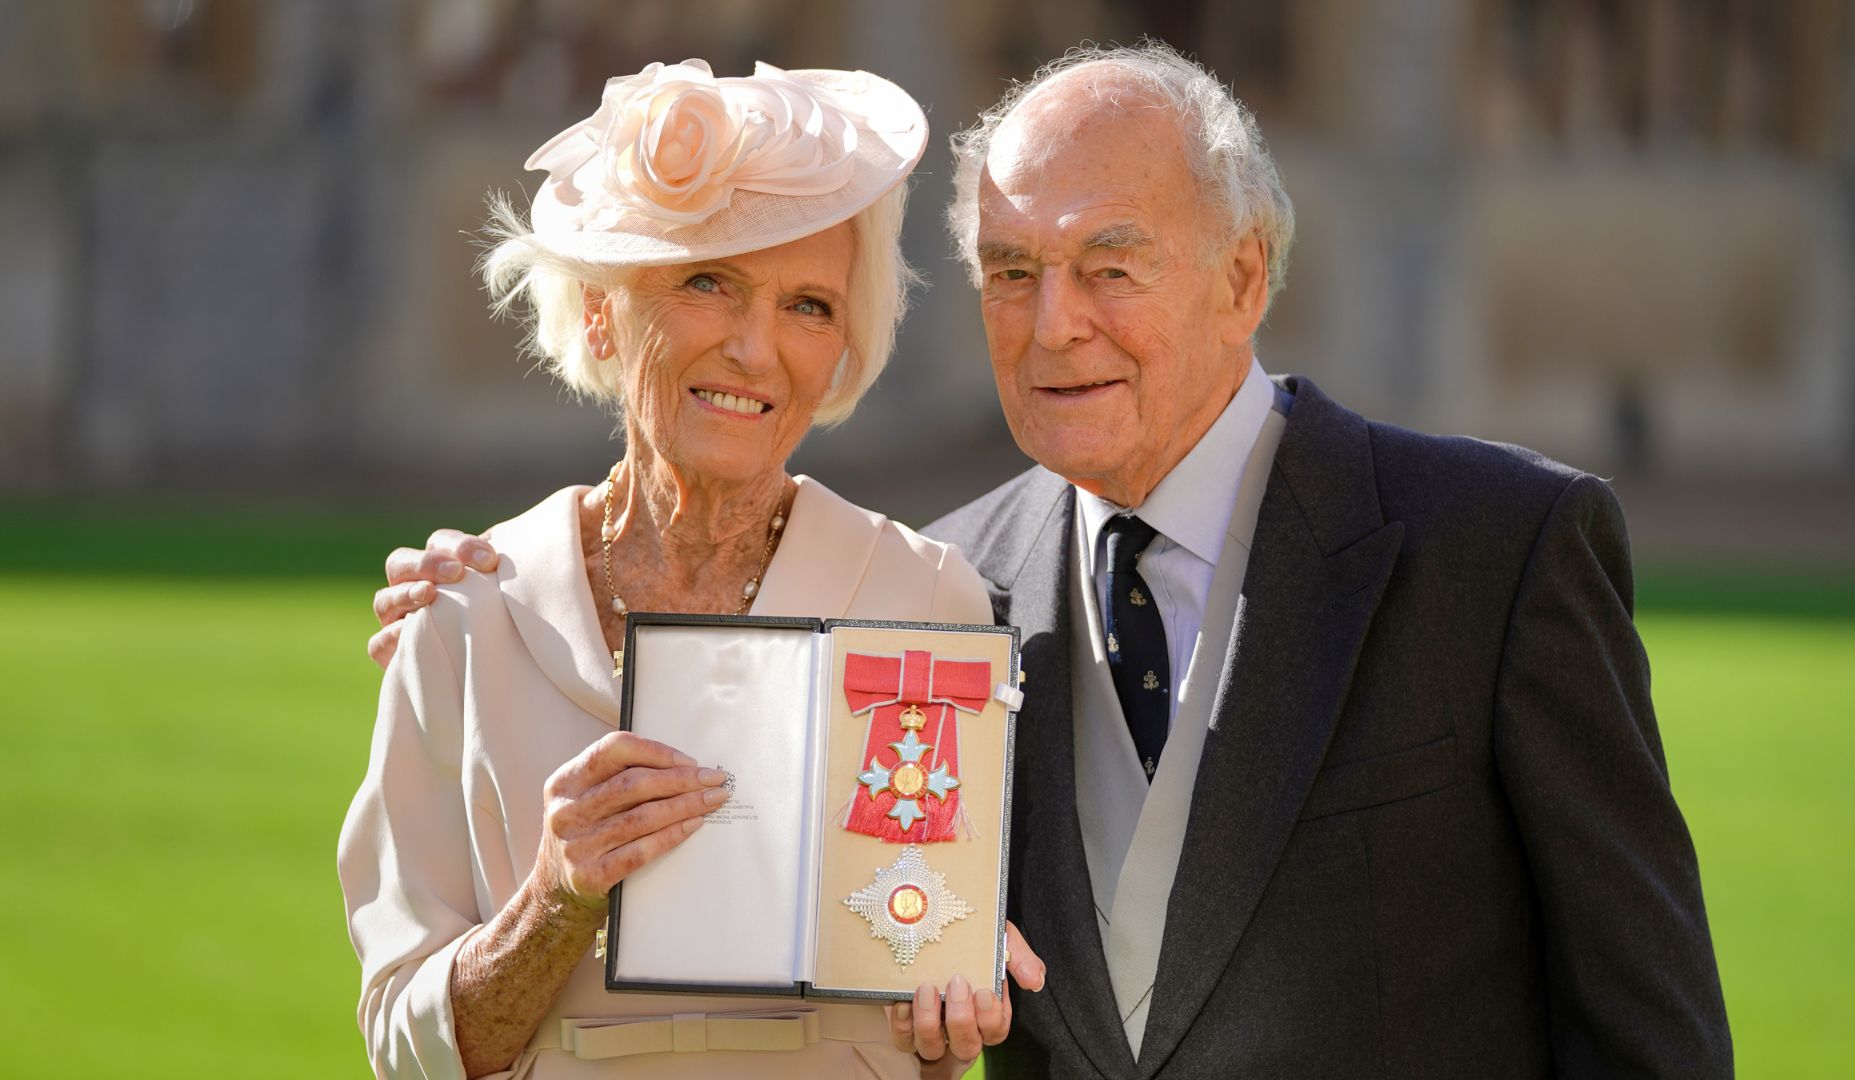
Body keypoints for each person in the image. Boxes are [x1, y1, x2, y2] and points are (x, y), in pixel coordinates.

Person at [378, 44, 1735, 1078]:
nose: (1053, 326)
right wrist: (490, 592)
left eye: (1112, 267)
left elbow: (1649, 1025)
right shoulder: (952, 590)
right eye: (1012, 272)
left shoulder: (1494, 550)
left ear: (1245, 276)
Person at [339, 58, 1043, 1080]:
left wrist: (950, 1003)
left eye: (808, 305)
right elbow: (404, 1047)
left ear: (844, 346)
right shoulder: (463, 618)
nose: (756, 349)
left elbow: (936, 999)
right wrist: (555, 898)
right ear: (598, 313)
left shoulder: (925, 596)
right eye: (707, 282)